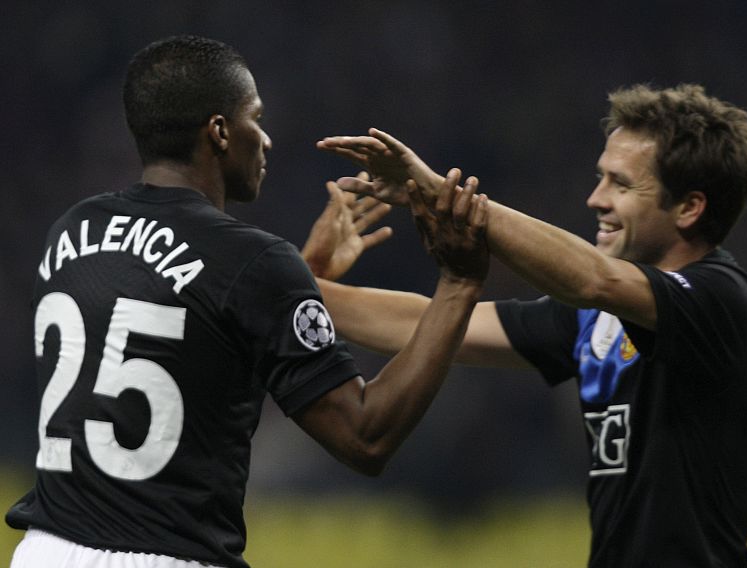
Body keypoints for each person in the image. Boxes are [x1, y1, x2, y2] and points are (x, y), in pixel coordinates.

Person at [5, 35, 491, 568]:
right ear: (218, 132)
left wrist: (305, 277)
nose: (265, 140)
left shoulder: (72, 230)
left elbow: (194, 331)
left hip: (44, 552)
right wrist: (458, 284)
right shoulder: (253, 261)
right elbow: (365, 435)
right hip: (168, 555)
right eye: (254, 118)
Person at [310, 84, 747, 567]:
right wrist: (302, 285)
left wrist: (438, 192)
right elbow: (426, 324)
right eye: (601, 178)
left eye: (622, 185)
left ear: (689, 208)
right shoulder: (597, 322)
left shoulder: (727, 302)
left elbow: (593, 279)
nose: (596, 199)